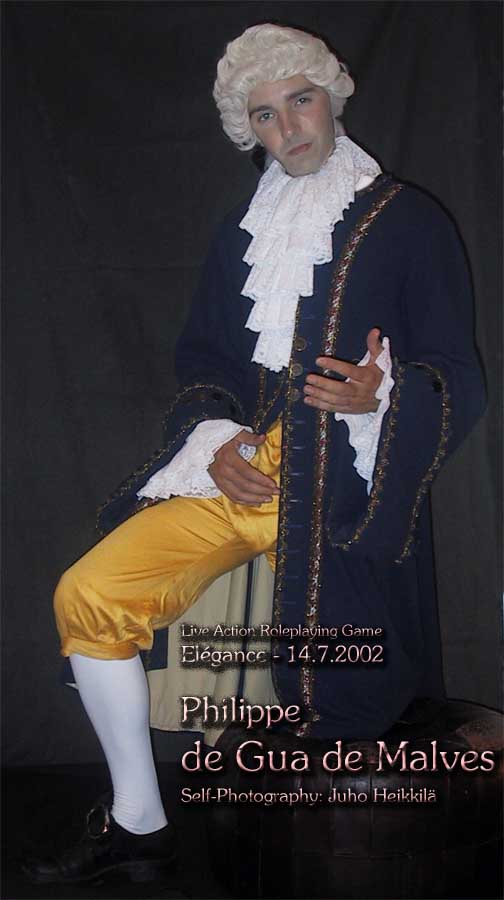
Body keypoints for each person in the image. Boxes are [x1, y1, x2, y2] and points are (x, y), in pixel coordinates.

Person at [24, 23, 485, 884]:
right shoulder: (243, 228)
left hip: (344, 484)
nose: (288, 125)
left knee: (342, 699)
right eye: (265, 114)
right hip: (240, 475)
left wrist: (379, 397)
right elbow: (207, 362)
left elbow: (455, 371)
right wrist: (217, 440)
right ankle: (139, 820)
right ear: (250, 130)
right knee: (90, 594)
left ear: (331, 97)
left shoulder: (408, 219)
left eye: (299, 100)